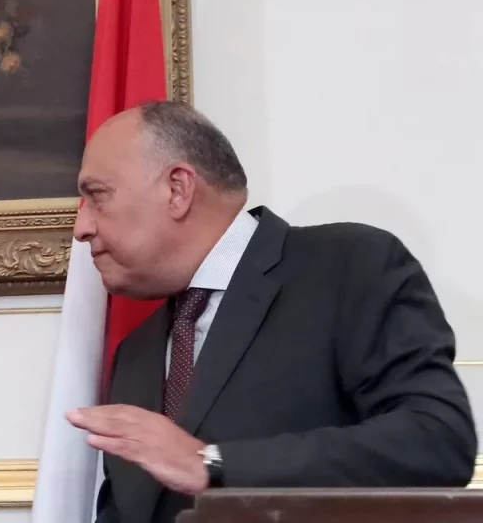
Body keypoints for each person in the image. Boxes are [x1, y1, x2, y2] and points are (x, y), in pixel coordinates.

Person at [64, 101, 477, 523]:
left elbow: (437, 440)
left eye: (98, 197)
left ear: (177, 189)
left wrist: (214, 464)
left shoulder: (350, 267)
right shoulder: (135, 352)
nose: (81, 228)